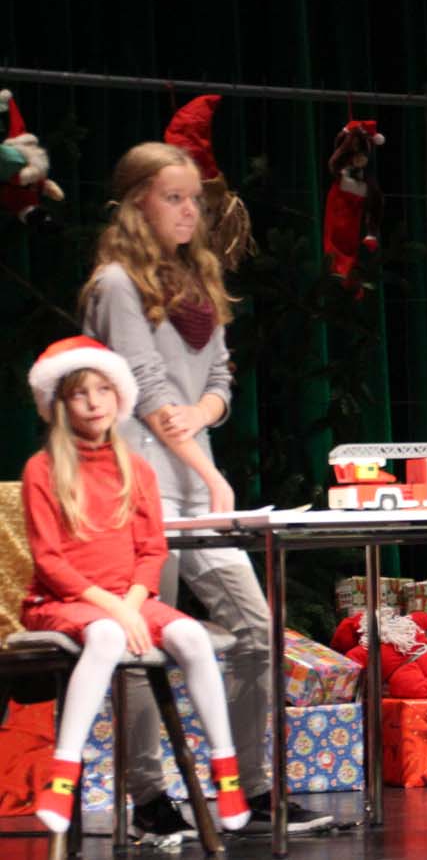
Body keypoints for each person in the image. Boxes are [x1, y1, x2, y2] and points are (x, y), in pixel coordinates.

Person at [79, 142, 331, 837]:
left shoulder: (198, 281)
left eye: (195, 199)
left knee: (256, 632)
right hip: (137, 490)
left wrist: (207, 413)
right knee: (142, 644)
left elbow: (218, 380)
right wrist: (210, 468)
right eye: (174, 197)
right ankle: (147, 798)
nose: (190, 211)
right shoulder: (116, 285)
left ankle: (250, 788)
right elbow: (145, 389)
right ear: (138, 203)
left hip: (196, 493)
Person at [20, 337, 250, 834]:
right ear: (60, 404)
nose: (94, 402)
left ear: (119, 397)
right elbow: (49, 560)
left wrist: (133, 602)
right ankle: (64, 773)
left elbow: (151, 551)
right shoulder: (43, 469)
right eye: (80, 393)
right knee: (106, 636)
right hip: (67, 600)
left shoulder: (137, 468)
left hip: (130, 598)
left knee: (191, 637)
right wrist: (117, 610)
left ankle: (225, 765)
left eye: (103, 390)